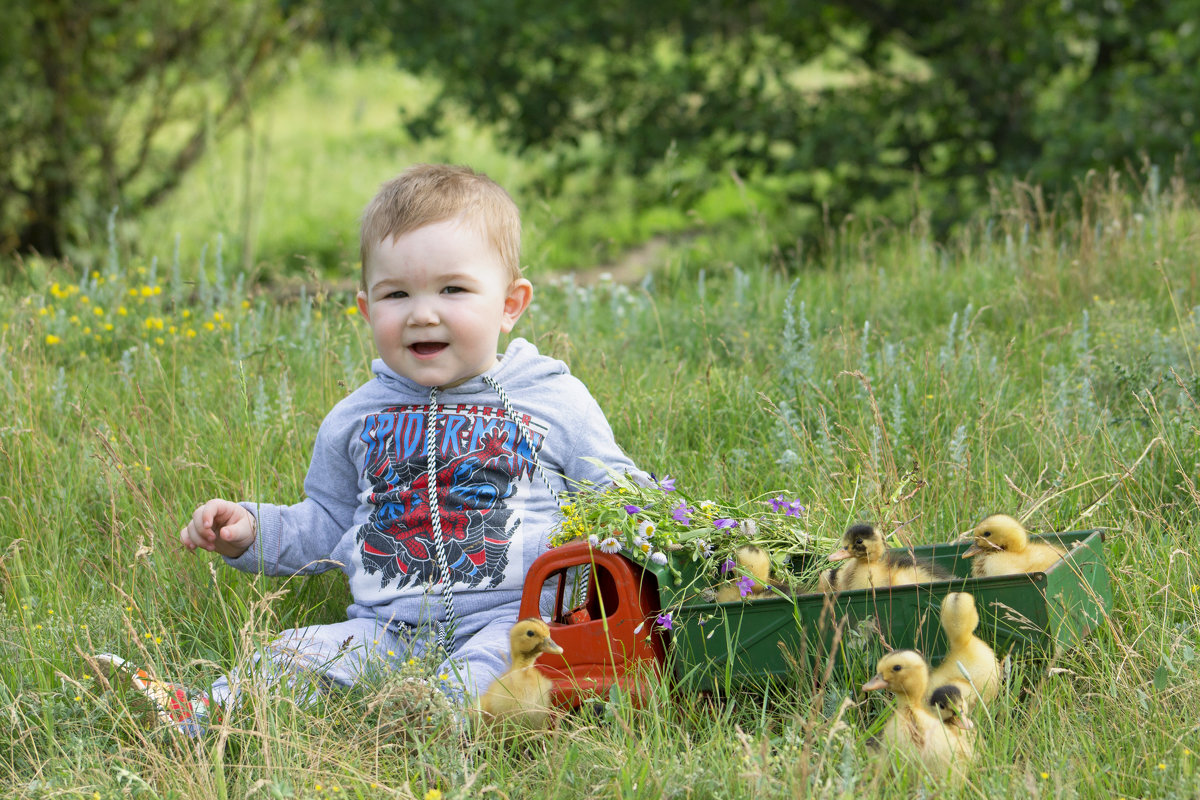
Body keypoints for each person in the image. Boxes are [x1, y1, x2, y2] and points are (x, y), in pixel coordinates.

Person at [95, 164, 640, 735]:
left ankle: (435, 722)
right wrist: (250, 530)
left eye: (452, 289)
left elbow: (618, 493)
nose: (421, 312)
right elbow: (326, 523)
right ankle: (201, 716)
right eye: (396, 293)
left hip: (512, 618)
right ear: (365, 308)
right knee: (296, 652)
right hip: (386, 628)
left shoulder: (551, 400)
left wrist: (677, 534)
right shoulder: (357, 417)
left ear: (509, 304)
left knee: (493, 672)